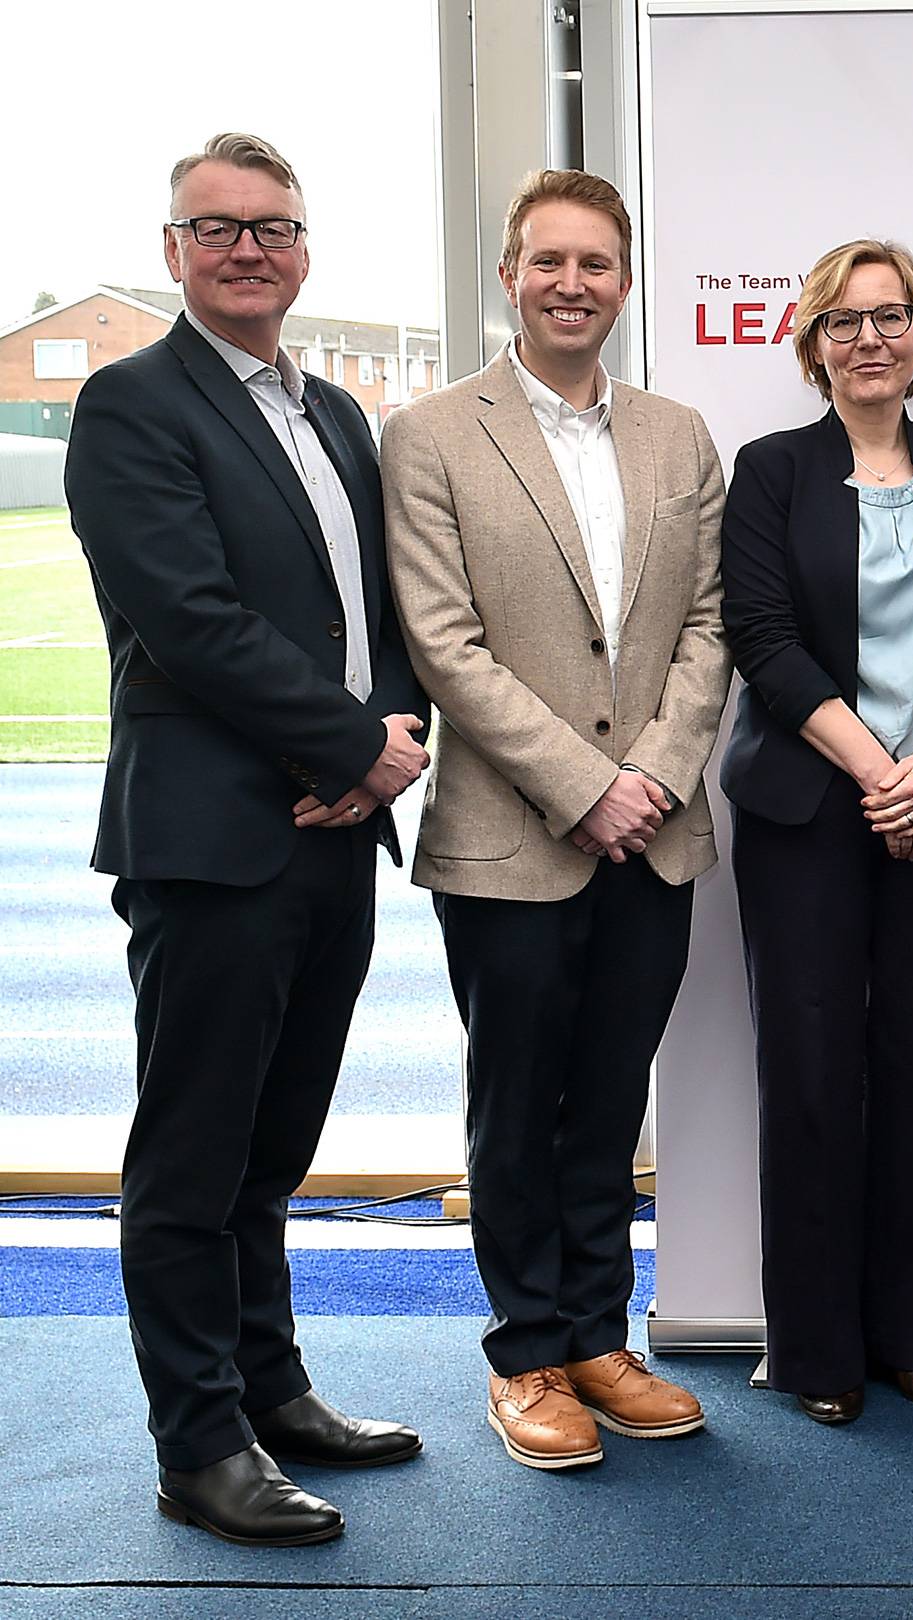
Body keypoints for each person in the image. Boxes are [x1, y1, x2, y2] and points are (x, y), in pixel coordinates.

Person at [63, 132, 429, 1546]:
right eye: (215, 230)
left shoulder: (335, 411)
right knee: (192, 1162)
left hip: (335, 835)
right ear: (172, 251)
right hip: (213, 841)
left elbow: (373, 618)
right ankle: (197, 1445)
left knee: (274, 1151)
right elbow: (190, 621)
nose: (246, 250)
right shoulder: (129, 406)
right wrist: (348, 749)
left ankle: (272, 1390)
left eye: (271, 228)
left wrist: (386, 746)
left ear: (305, 248)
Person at [382, 169, 731, 1472]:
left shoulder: (677, 435)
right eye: (548, 262)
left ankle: (596, 1334)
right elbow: (443, 642)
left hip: (657, 829)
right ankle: (526, 1350)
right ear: (510, 277)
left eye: (595, 264)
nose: (571, 284)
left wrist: (649, 775)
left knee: (604, 1103)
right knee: (515, 1104)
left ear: (623, 282)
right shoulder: (430, 434)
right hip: (508, 835)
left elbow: (706, 629)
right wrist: (584, 787)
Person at [719, 239, 913, 1425]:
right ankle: (820, 1351)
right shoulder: (773, 468)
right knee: (812, 1075)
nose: (870, 339)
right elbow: (763, 635)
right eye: (844, 322)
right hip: (807, 811)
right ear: (812, 343)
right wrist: (881, 771)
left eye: (891, 318)